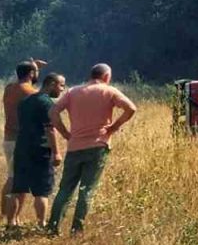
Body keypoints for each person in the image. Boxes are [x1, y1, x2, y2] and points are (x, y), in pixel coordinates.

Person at [47, 63, 137, 235]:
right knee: (86, 189)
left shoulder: (72, 92)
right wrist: (114, 127)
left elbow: (53, 112)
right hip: (98, 147)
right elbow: (131, 108)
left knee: (65, 189)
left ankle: (53, 227)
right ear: (106, 76)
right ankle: (76, 229)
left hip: (74, 147)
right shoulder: (109, 91)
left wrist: (66, 133)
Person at [9, 72, 66, 228]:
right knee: (42, 191)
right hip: (40, 151)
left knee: (18, 188)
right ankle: (41, 223)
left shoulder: (24, 101)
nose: (62, 89)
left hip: (21, 148)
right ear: (52, 84)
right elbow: (50, 130)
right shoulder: (47, 103)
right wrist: (56, 152)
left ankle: (11, 222)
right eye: (61, 85)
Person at [2, 59, 40, 225]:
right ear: (31, 74)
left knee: (11, 176)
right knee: (19, 181)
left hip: (8, 139)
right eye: (35, 72)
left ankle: (5, 214)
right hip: (22, 141)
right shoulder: (31, 93)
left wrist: (32, 67)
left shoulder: (9, 89)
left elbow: (20, 79)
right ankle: (14, 218)